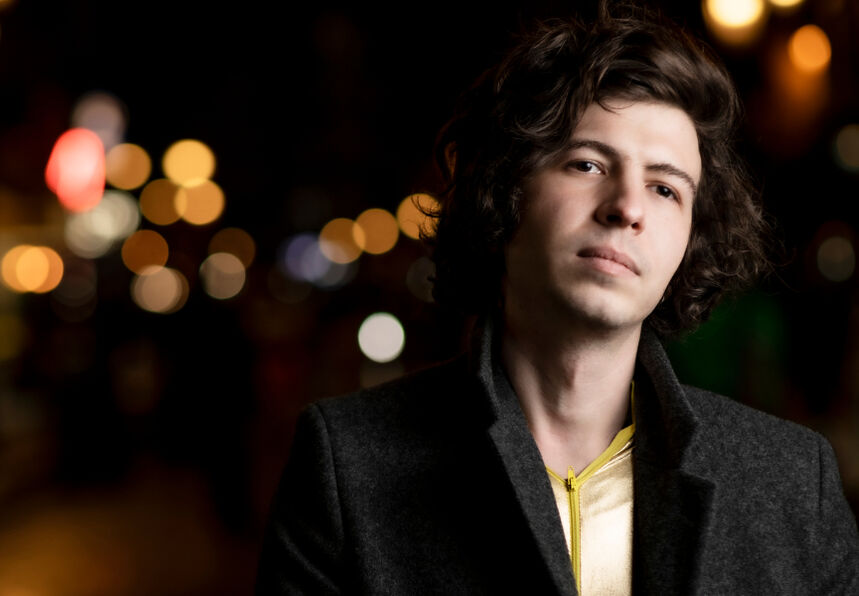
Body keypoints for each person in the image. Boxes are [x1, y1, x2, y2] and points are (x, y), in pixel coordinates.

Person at [256, 6, 859, 595]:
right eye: (588, 164)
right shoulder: (347, 465)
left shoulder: (792, 481)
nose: (628, 207)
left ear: (688, 242)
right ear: (504, 189)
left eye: (665, 189)